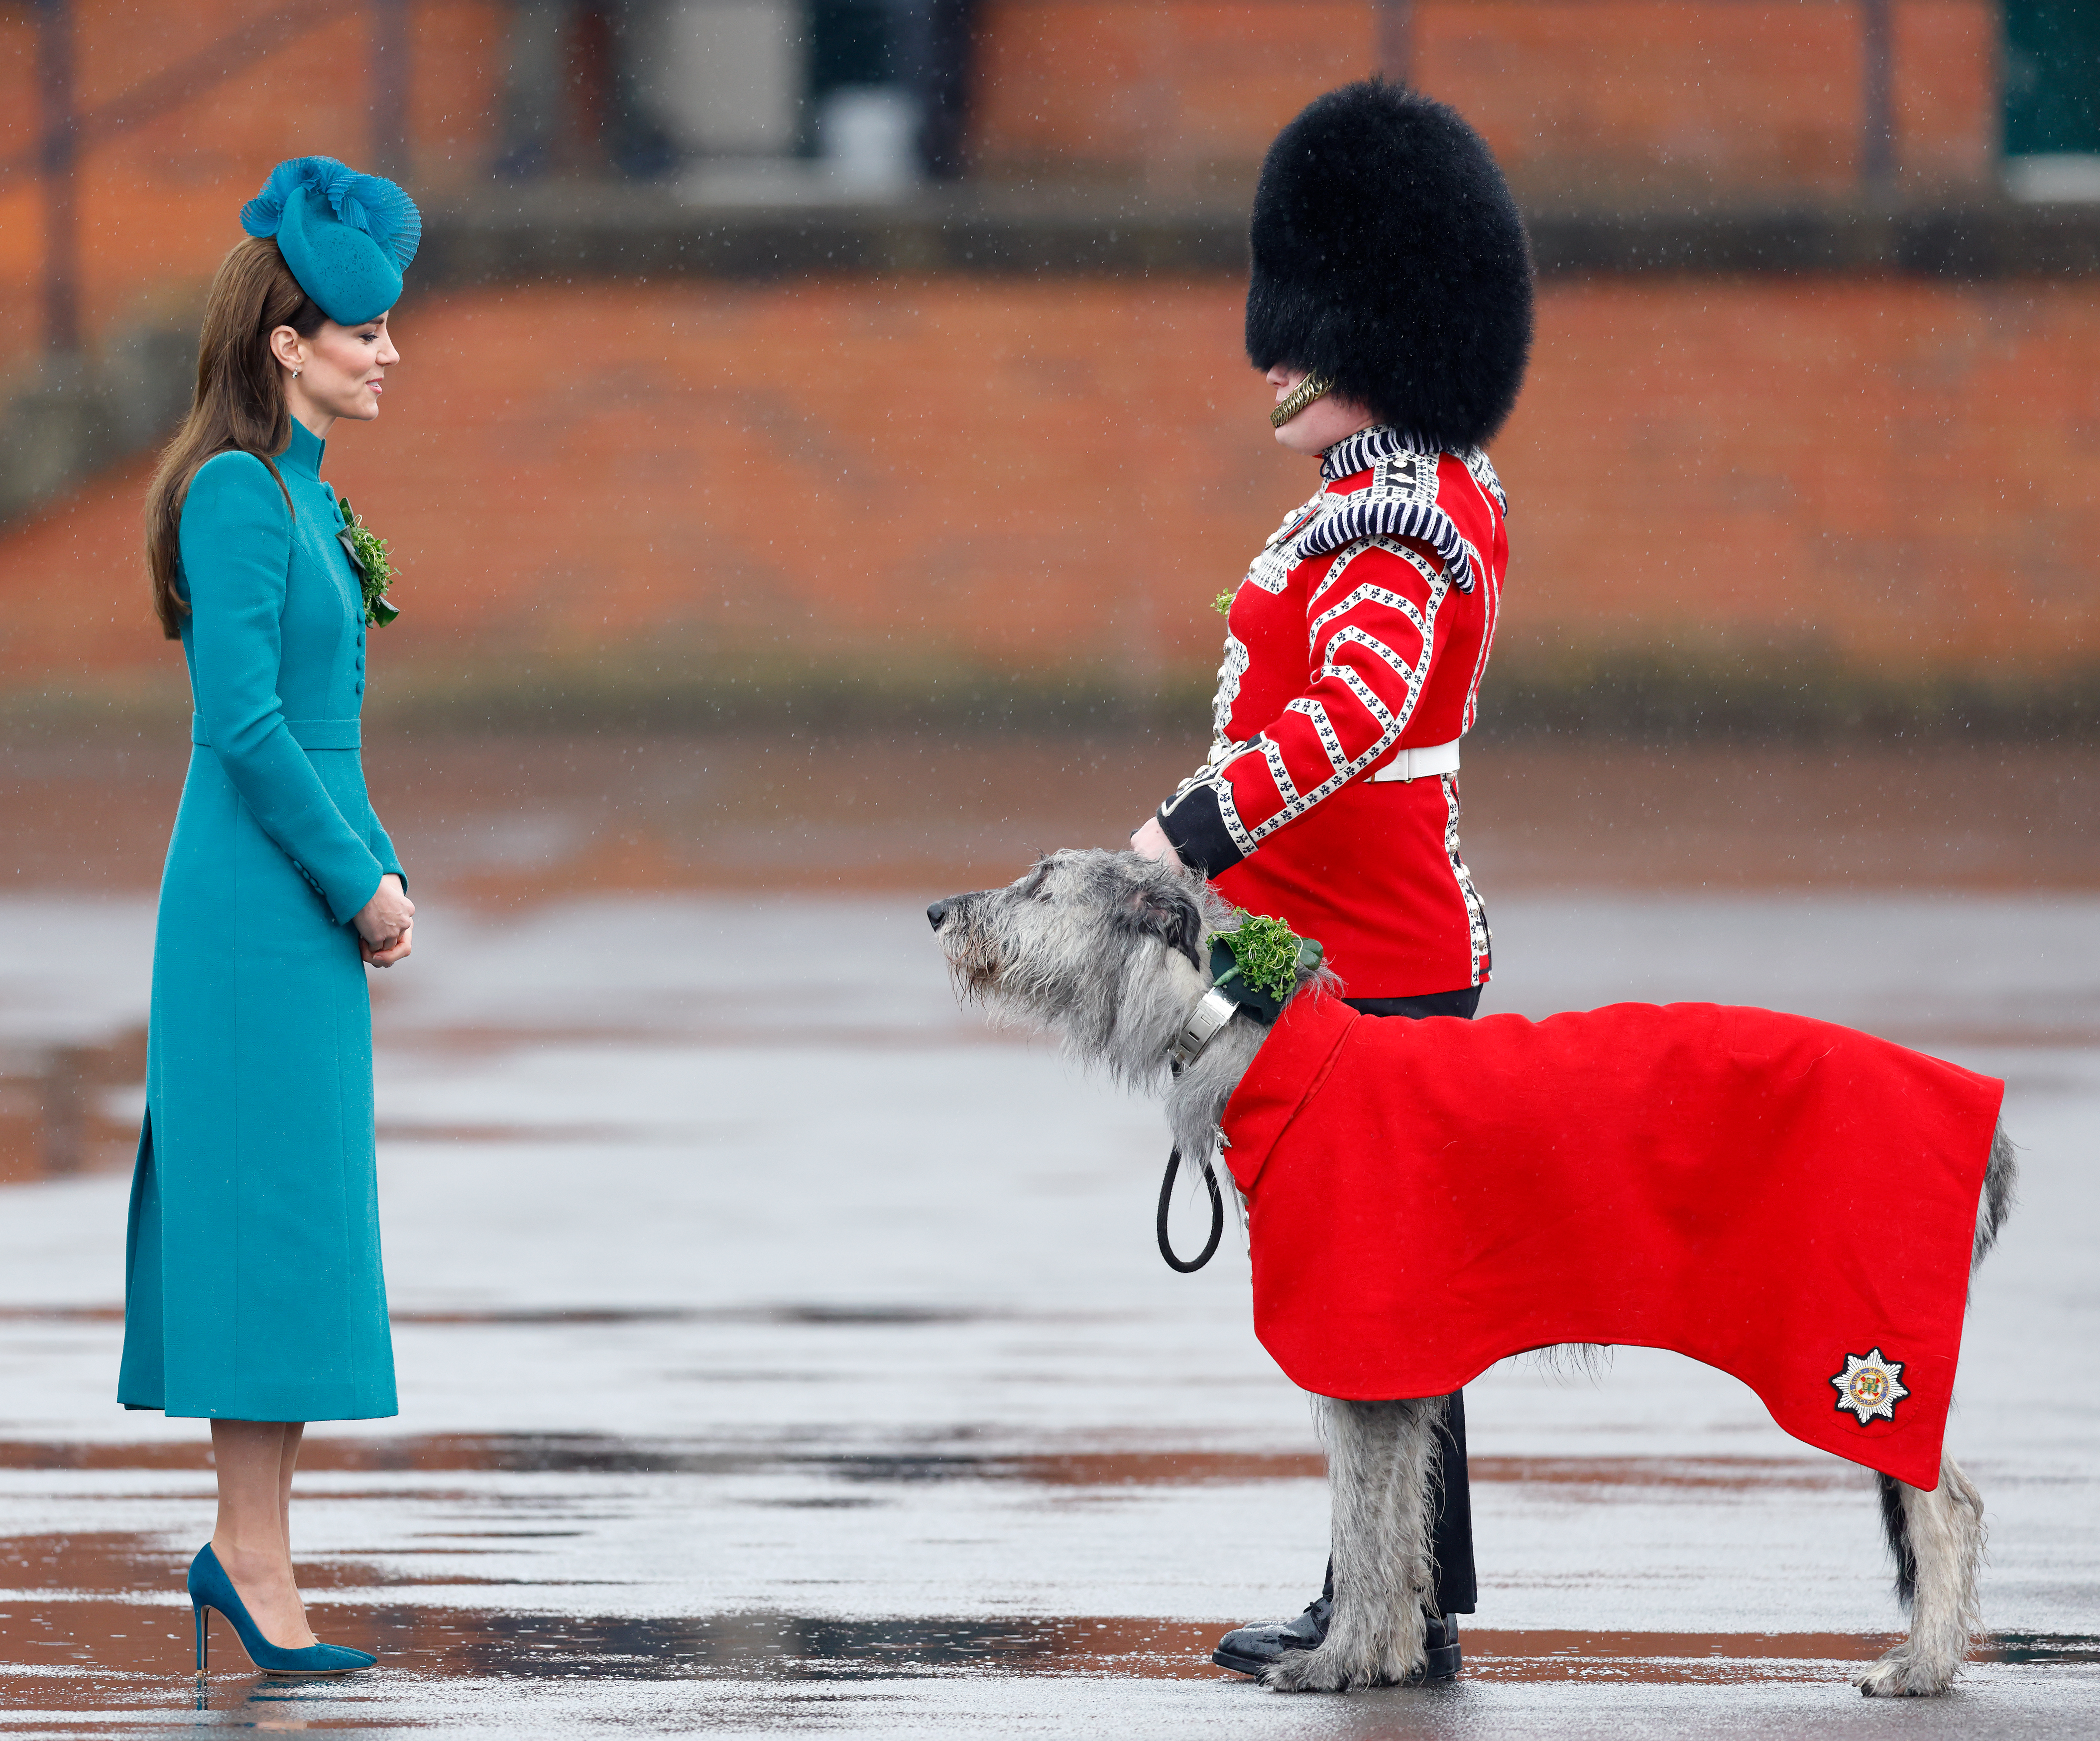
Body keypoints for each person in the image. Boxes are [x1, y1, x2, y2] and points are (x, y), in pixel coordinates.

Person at [1129, 80, 1533, 1683]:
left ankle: (1391, 1599)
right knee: (1382, 1296)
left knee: (1380, 1299)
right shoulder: (1393, 498)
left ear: (1377, 331)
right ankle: (1395, 1590)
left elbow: (1349, 718)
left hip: (1370, 956)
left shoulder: (1399, 522)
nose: (1271, 361)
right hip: (1330, 947)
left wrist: (1185, 835)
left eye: (1301, 332)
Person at [121, 156, 423, 1677]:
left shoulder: (311, 496)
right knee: (261, 1229)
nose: (387, 352)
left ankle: (250, 1550)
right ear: (284, 348)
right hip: (248, 913)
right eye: (359, 331)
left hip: (300, 902)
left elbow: (331, 725)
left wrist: (382, 862)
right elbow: (243, 726)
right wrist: (355, 878)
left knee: (301, 1236)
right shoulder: (239, 493)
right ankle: (248, 1554)